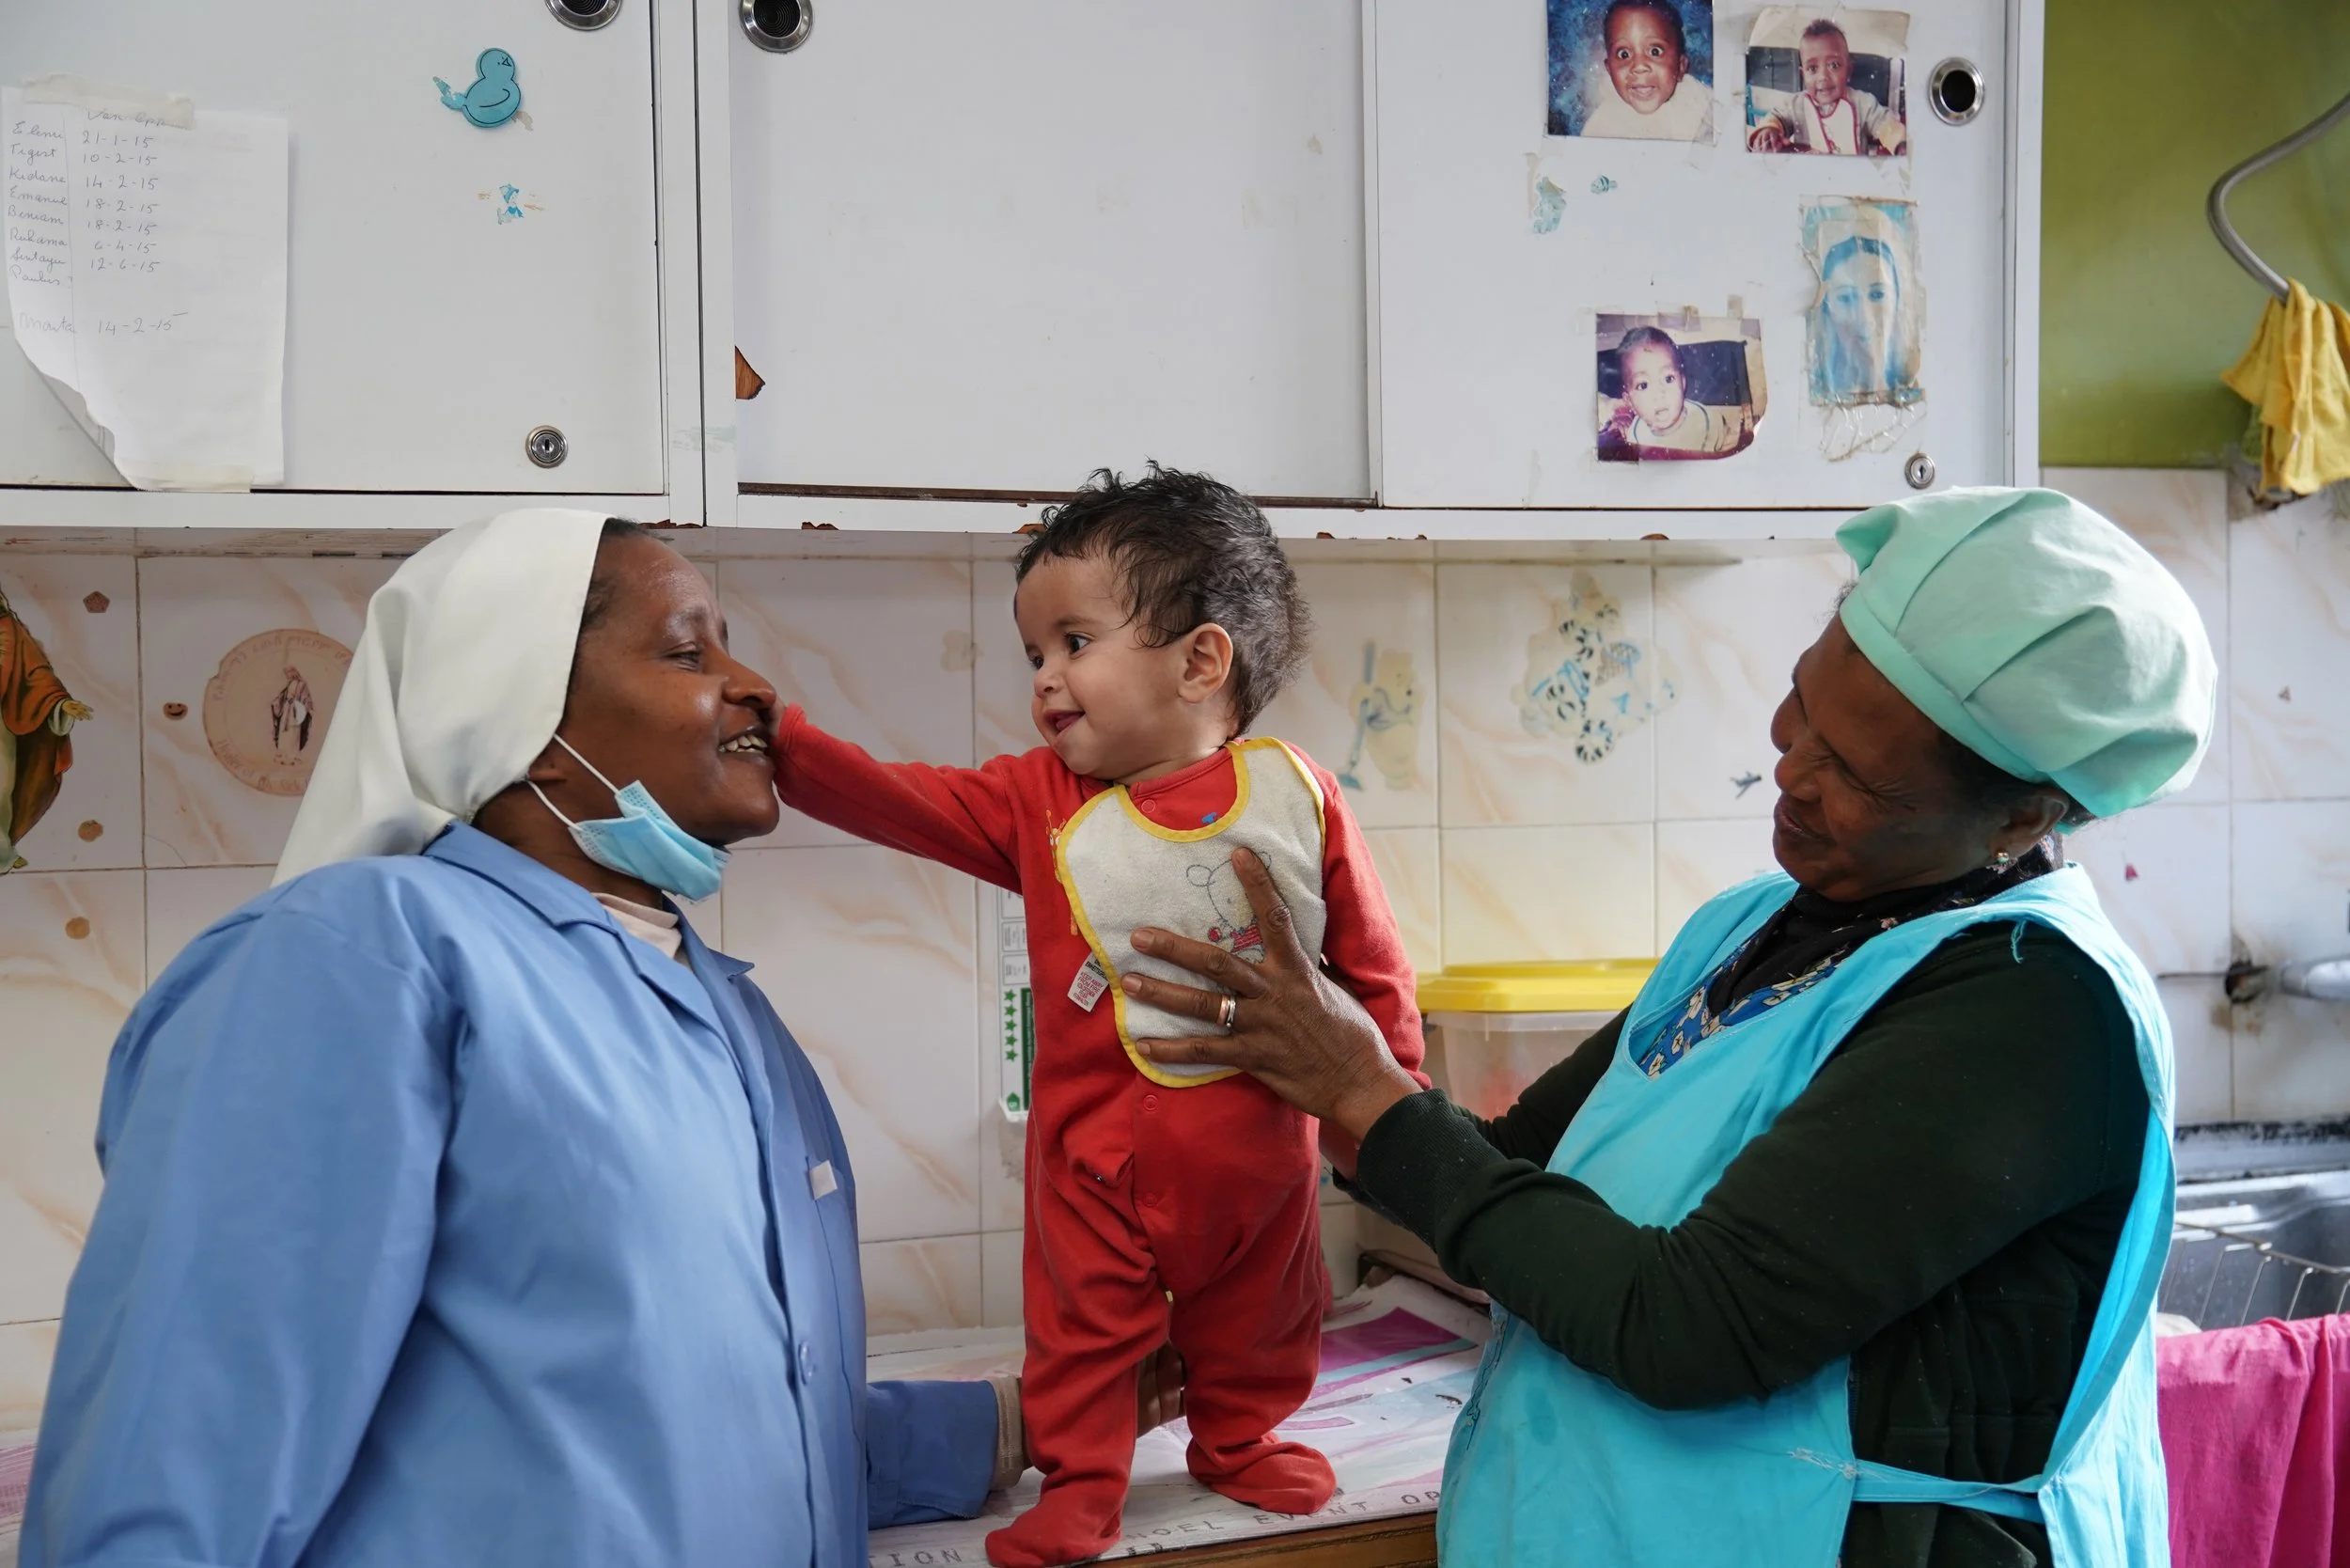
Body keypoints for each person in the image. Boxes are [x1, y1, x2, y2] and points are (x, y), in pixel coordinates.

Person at [23, 510, 1180, 1568]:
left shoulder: (711, 1001)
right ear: (516, 714)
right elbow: (177, 1477)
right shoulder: (357, 957)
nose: (752, 688)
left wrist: (1024, 1422)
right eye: (689, 653)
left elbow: (693, 1426)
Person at [1120, 487, 2217, 1568]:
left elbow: (1687, 1327)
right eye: (1801, 706)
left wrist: (1359, 1086)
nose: (1789, 768)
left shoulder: (2029, 1006)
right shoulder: (1753, 924)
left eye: (1856, 774)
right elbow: (1506, 1168)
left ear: (2023, 815)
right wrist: (1284, 1053)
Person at [771, 465, 1427, 1567]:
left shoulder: (1296, 795)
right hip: (1094, 1168)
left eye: (1074, 642)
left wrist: (1387, 1128)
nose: (1045, 679)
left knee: (1266, 1310)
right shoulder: (1037, 802)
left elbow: (1369, 967)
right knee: (1083, 1332)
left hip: (1261, 1159)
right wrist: (786, 748)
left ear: (1199, 661)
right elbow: (901, 799)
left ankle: (1237, 1437)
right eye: (1036, 655)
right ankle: (1082, 1481)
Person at [0, 582, 91, 872]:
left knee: (2, 788)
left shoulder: (8, 629)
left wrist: (59, 704)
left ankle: (2, 851)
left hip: (1, 729)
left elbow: (35, 672)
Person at [1749, 18, 1906, 155]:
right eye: (1812, 68)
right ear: (1803, 75)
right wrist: (1769, 130)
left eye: (1834, 65)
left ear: (1848, 71)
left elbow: (1885, 124)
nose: (1823, 77)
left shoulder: (1863, 104)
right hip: (1809, 178)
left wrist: (1900, 144)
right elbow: (1777, 117)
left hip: (1853, 180)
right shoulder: (1796, 105)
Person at [1603, 325, 1750, 457]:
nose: (1659, 394)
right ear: (1630, 402)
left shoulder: (1709, 422)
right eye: (1643, 385)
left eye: (1668, 379)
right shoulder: (1635, 433)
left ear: (1683, 383)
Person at [1580, 0, 1714, 141]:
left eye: (1655, 51)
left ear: (1680, 67)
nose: (1639, 67)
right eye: (1623, 54)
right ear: (1609, 70)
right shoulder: (1602, 126)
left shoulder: (1696, 100)